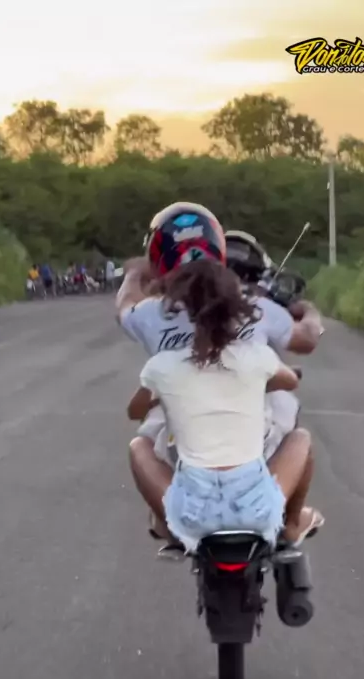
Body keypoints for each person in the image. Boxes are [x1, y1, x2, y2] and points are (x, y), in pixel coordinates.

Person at [118, 202, 323, 554]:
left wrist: (136, 273)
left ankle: (165, 520)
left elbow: (125, 307)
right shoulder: (256, 320)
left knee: (142, 442)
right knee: (298, 435)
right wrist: (308, 312)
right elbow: (304, 346)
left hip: (187, 501)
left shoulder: (154, 328)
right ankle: (290, 524)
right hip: (258, 503)